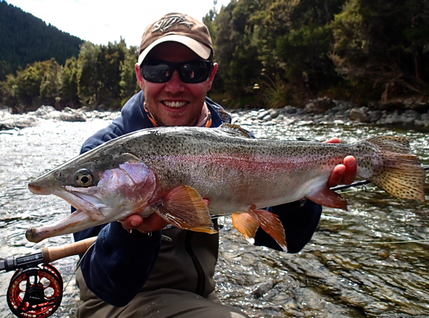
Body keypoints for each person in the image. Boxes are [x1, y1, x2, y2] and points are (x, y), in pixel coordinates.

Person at [74, 12, 357, 318]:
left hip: (200, 296)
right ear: (140, 75)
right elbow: (106, 286)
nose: (174, 85)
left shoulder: (231, 142)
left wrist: (301, 189)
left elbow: (285, 241)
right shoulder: (102, 157)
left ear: (210, 75)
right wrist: (134, 234)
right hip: (116, 304)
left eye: (191, 70)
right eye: (158, 70)